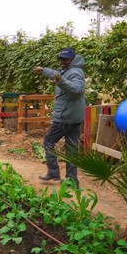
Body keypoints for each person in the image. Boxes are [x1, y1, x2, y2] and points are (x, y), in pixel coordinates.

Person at [33, 48, 85, 189]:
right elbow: (56, 74)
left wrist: (61, 81)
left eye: (66, 59)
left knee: (49, 140)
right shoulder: (68, 70)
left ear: (72, 60)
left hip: (65, 117)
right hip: (74, 117)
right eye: (61, 59)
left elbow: (77, 89)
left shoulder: (75, 73)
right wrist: (44, 70)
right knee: (71, 149)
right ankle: (72, 180)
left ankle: (53, 173)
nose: (62, 62)